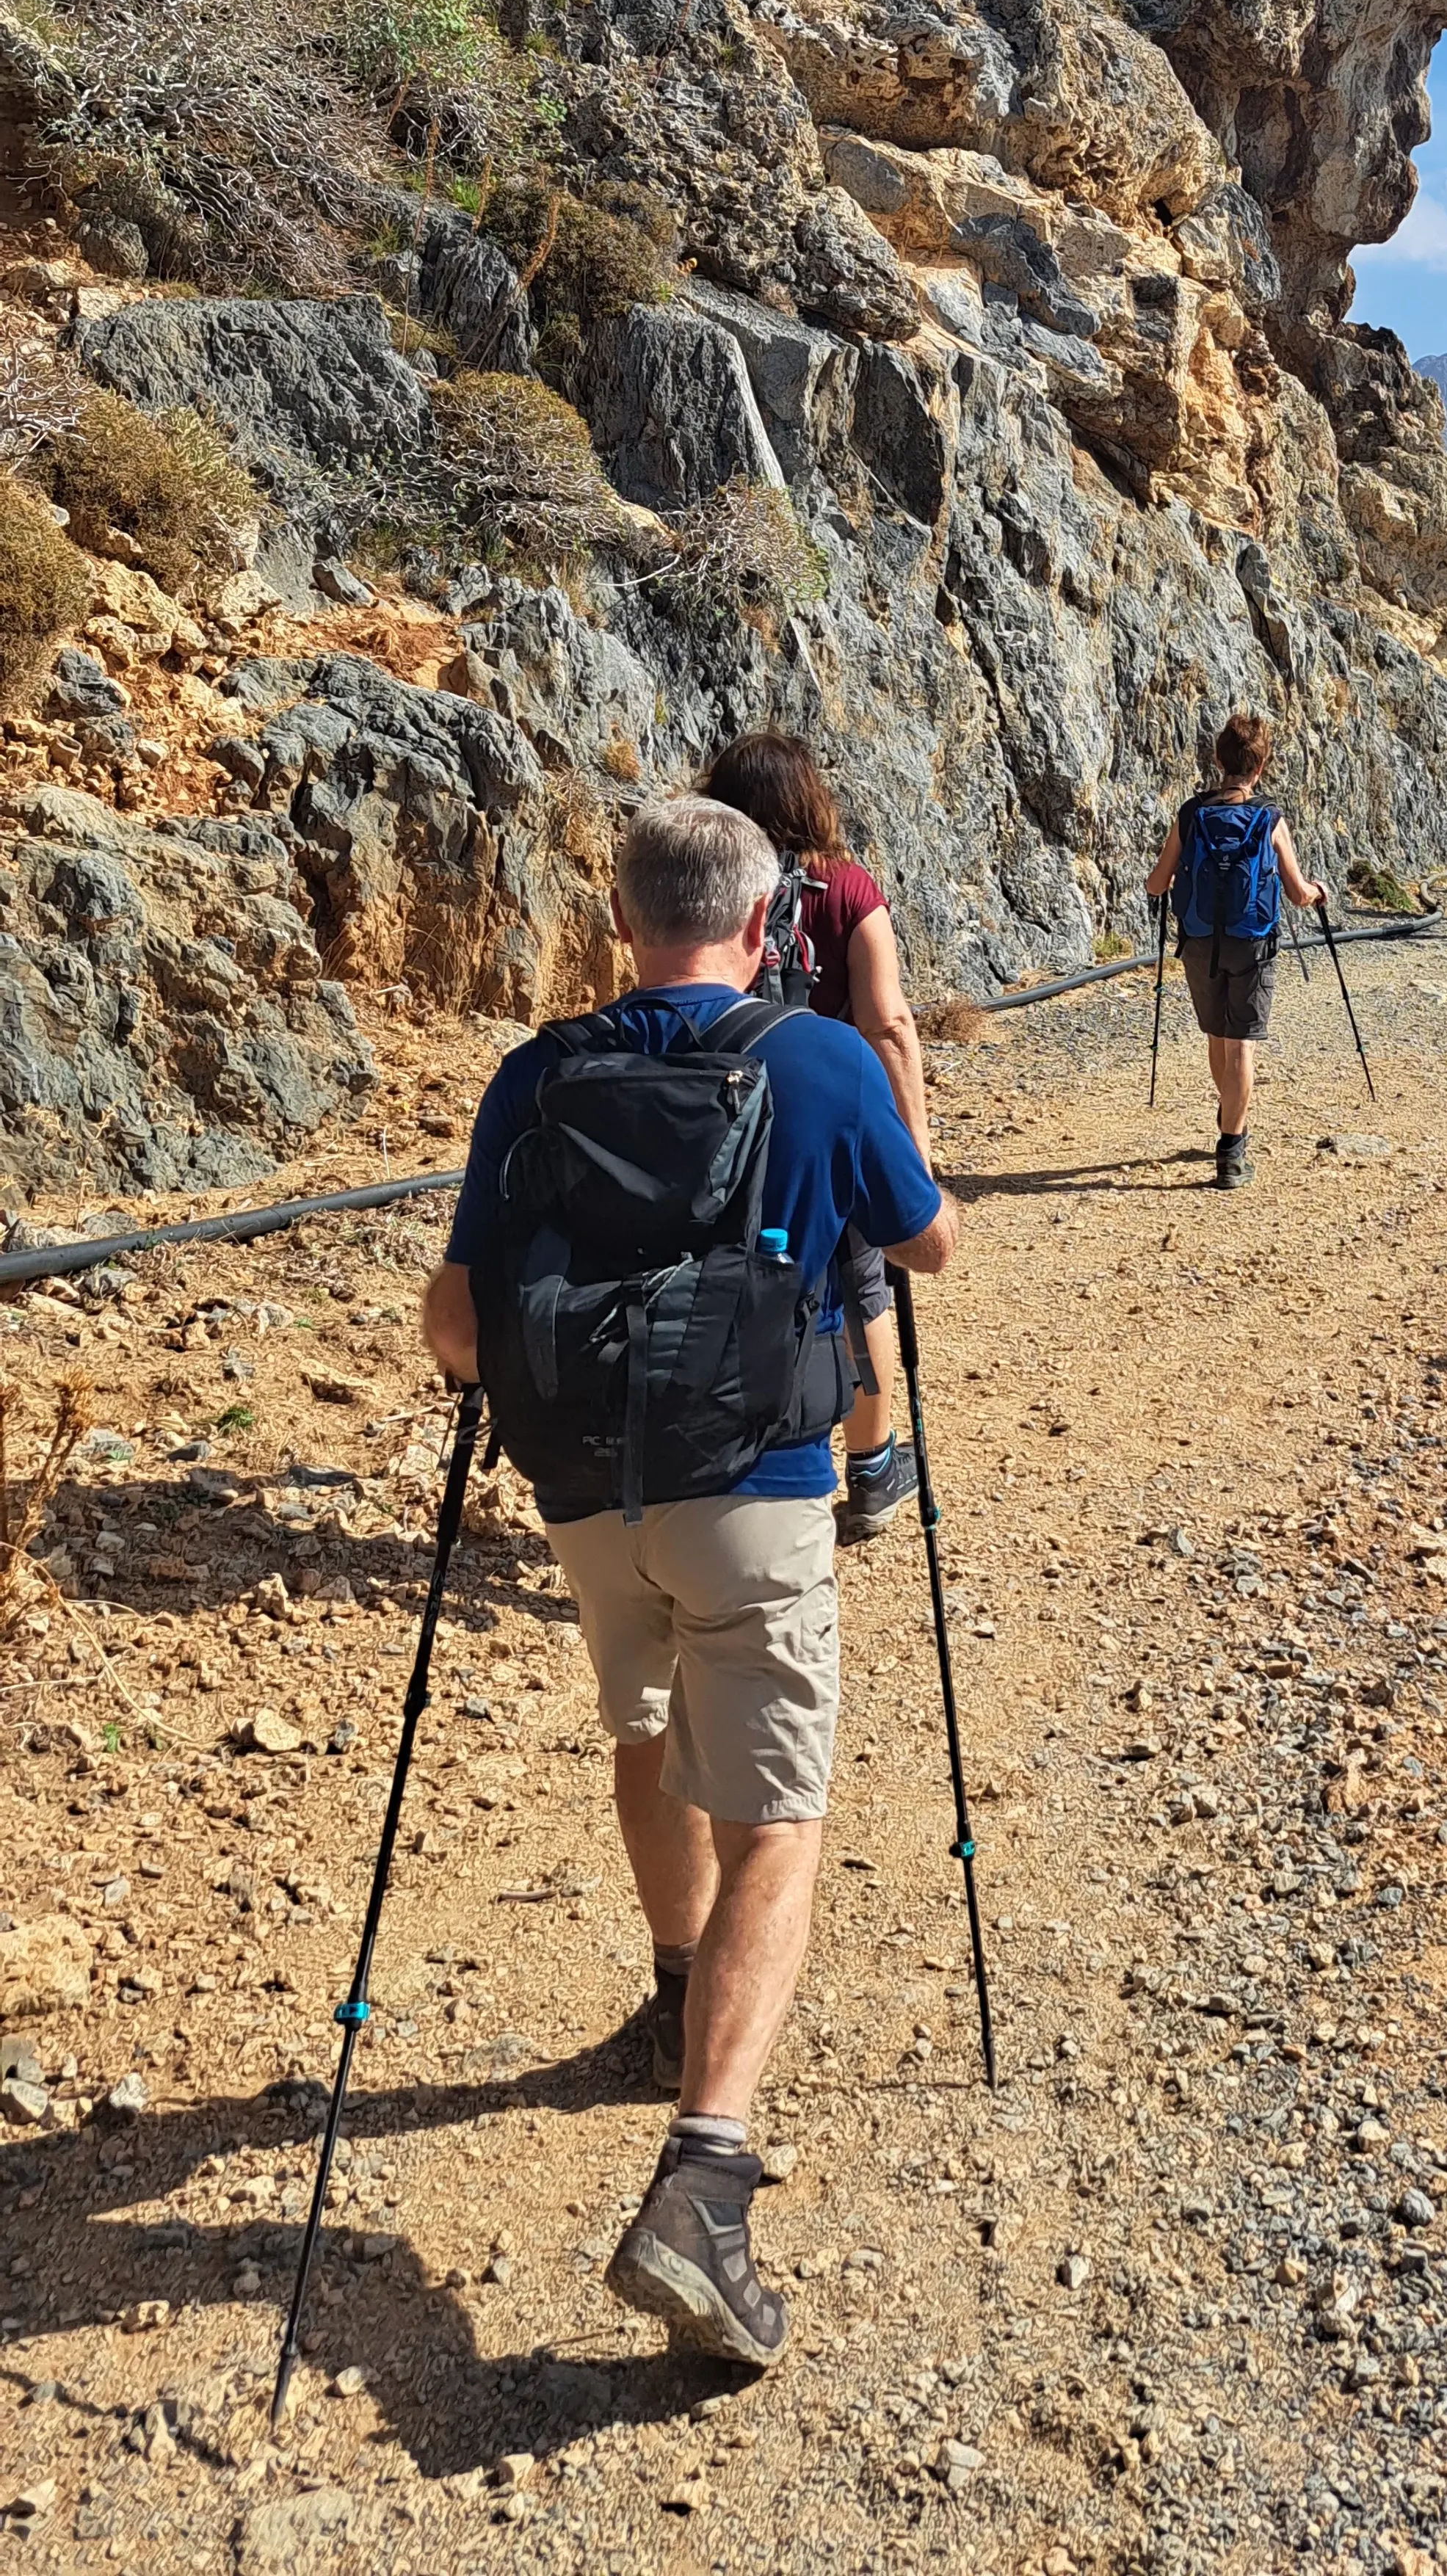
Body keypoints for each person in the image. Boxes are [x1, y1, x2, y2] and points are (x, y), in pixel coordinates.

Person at [421, 796, 960, 2370]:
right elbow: (928, 1248)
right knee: (777, 1816)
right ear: (761, 921)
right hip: (760, 1491)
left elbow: (457, 1327)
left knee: (644, 1723)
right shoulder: (809, 1056)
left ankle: (672, 1989)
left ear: (621, 916)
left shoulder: (535, 1076)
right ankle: (705, 2180)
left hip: (589, 1496)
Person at [697, 733, 926, 1545]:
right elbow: (890, 1024)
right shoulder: (847, 888)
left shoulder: (711, 887)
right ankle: (870, 1468)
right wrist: (914, 1153)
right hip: (833, 1121)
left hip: (722, 1127)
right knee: (863, 1284)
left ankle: (726, 1455)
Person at [1144, 710, 1326, 1189]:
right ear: (1260, 766)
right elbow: (1297, 893)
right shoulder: (1269, 818)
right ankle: (1232, 1151)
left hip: (1200, 941)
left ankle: (1229, 1117)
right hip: (1252, 942)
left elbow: (1157, 883)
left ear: (1219, 760)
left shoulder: (1191, 814)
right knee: (1241, 1040)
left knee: (1217, 1036)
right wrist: (1316, 892)